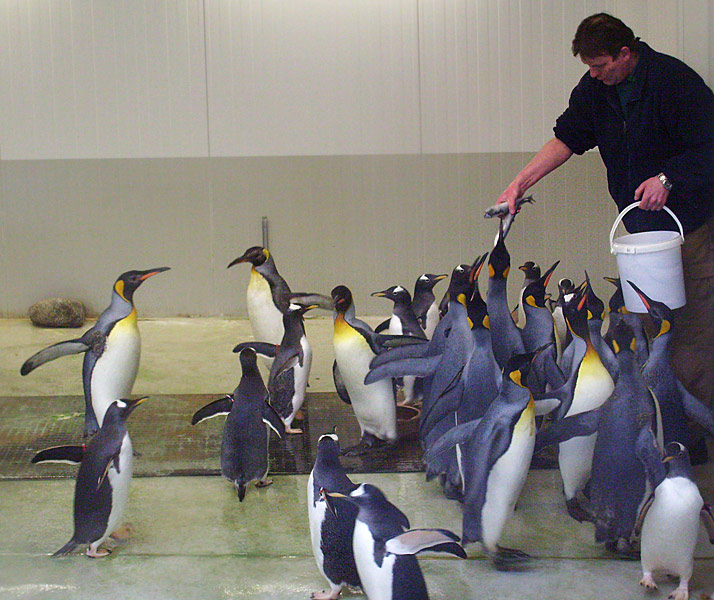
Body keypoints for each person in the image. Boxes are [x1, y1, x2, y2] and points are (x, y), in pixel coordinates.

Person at [497, 13, 714, 462]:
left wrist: (668, 178)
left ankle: (690, 437)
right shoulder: (595, 90)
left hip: (689, 228)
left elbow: (710, 146)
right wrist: (520, 182)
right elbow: (568, 137)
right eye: (589, 67)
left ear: (625, 54)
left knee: (693, 329)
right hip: (642, 235)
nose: (593, 75)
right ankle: (657, 423)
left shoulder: (674, 81)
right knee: (647, 331)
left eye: (600, 65)